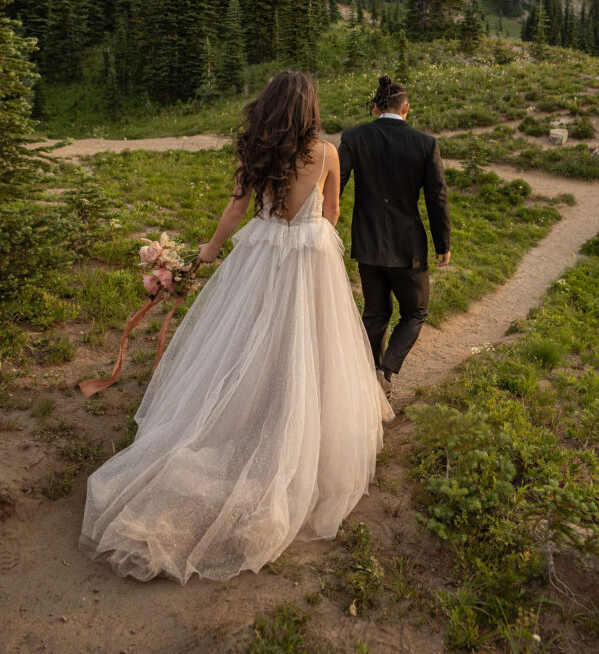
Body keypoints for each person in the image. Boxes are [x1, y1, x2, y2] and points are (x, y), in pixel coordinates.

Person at [79, 71, 392, 585]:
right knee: (307, 345)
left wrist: (209, 250)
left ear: (268, 107)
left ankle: (236, 412)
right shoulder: (328, 153)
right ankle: (292, 420)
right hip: (308, 257)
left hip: (259, 250)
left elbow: (236, 209)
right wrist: (308, 239)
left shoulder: (255, 151)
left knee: (243, 337)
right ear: (309, 109)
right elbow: (332, 213)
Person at [338, 74, 451, 399]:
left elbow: (337, 184)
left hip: (367, 243)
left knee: (375, 312)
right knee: (415, 312)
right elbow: (437, 197)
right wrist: (443, 244)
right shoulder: (425, 143)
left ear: (376, 107)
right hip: (407, 247)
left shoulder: (354, 137)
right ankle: (385, 371)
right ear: (406, 109)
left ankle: (369, 376)